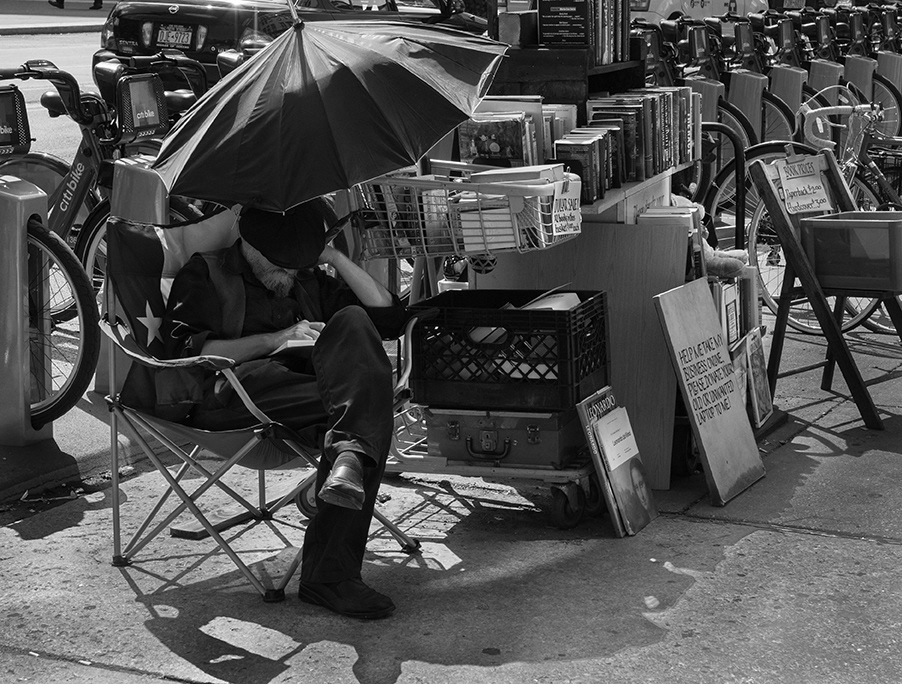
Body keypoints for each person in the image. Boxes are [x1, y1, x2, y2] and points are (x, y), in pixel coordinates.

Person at [158, 198, 406, 620]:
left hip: (310, 396)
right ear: (250, 245)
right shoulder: (207, 272)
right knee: (370, 403)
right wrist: (277, 339)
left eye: (297, 262)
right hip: (238, 393)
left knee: (352, 321)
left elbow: (389, 318)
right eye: (281, 262)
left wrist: (332, 257)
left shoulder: (304, 275)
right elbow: (190, 353)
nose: (289, 272)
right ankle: (329, 573)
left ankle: (348, 455)